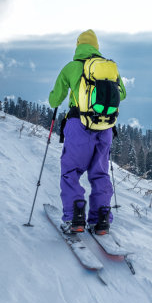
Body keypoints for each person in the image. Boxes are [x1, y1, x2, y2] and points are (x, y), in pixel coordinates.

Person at [48, 29, 126, 234]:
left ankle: (75, 219)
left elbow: (55, 100)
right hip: (105, 127)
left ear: (78, 46)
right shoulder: (109, 69)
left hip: (79, 125)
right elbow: (123, 95)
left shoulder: (72, 67)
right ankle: (101, 220)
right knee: (100, 173)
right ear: (96, 47)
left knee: (71, 171)